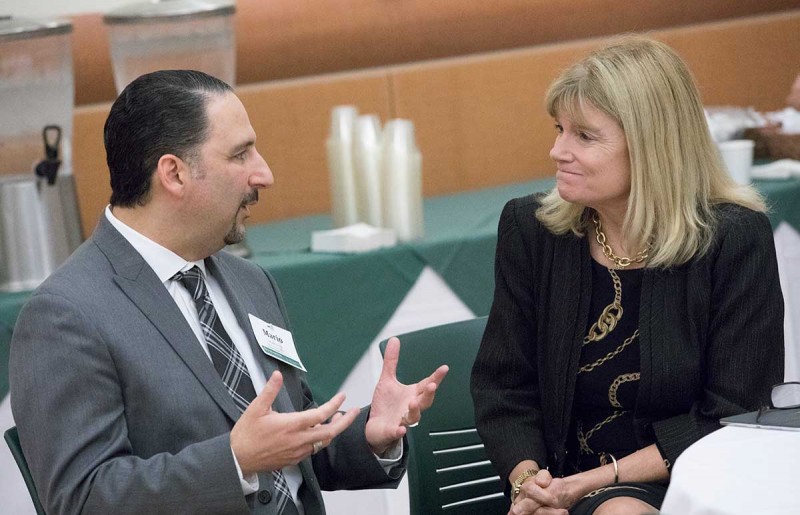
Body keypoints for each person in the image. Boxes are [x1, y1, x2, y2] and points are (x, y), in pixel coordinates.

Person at [9, 70, 448, 515]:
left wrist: (371, 434)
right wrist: (235, 461)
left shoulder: (250, 281)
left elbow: (292, 442)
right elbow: (83, 500)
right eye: (240, 154)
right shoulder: (66, 315)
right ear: (174, 173)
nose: (265, 174)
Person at [470, 36, 784, 515]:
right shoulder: (533, 231)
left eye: (584, 136)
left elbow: (733, 413)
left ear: (651, 146)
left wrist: (589, 485)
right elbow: (504, 388)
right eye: (559, 129)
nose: (557, 150)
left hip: (688, 480)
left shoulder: (734, 239)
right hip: (553, 482)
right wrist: (530, 485)